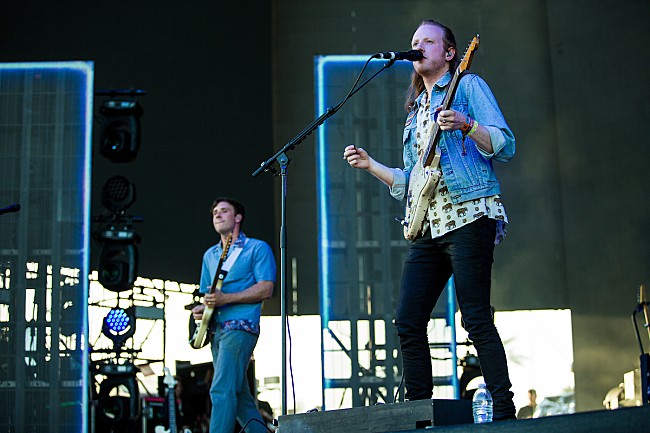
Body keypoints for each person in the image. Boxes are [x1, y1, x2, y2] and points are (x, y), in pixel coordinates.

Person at [343, 19, 516, 420]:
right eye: (413, 42)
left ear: (450, 52)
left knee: (474, 317)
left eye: (427, 41)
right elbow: (413, 182)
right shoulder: (415, 112)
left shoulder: (468, 86)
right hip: (429, 225)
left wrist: (467, 124)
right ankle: (418, 412)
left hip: (469, 214)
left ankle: (505, 412)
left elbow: (504, 144)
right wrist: (371, 166)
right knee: (407, 319)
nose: (417, 46)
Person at [191, 197, 276, 433]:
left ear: (238, 217)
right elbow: (209, 294)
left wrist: (225, 299)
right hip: (217, 329)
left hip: (240, 327)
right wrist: (203, 308)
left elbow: (266, 288)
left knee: (221, 390)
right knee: (239, 399)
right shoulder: (210, 255)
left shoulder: (257, 248)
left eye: (224, 211)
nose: (217, 215)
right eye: (215, 212)